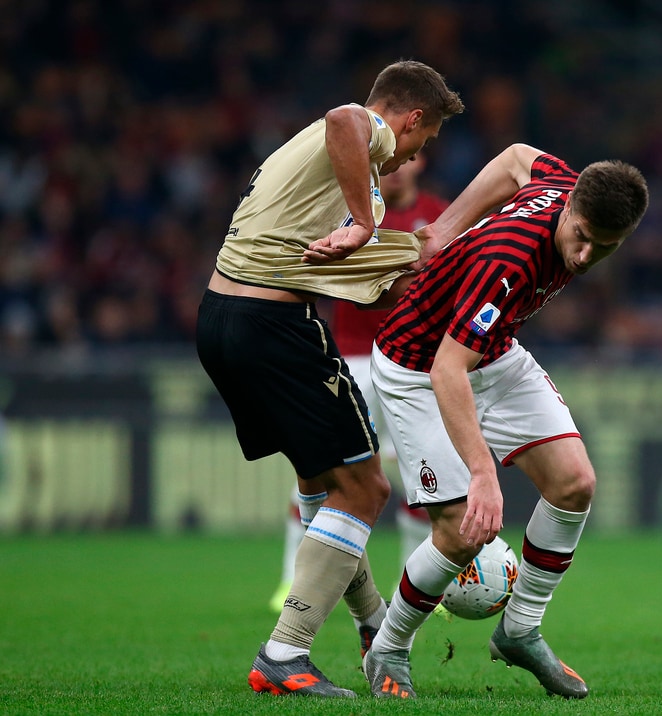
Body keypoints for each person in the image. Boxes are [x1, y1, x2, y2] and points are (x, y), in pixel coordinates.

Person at [196, 59, 464, 698]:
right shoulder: (361, 135)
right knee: (367, 488)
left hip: (222, 318)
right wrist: (369, 225)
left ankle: (373, 624)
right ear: (411, 118)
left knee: (323, 484)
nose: (411, 158)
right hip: (272, 325)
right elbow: (347, 117)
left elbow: (358, 282)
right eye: (421, 142)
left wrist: (410, 266)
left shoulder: (328, 171)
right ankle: (285, 653)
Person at [356, 143, 649, 700]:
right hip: (417, 366)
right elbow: (447, 370)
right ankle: (389, 648)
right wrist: (482, 471)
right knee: (460, 529)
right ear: (569, 208)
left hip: (490, 352)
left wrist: (444, 227)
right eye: (582, 236)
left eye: (605, 247)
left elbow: (516, 158)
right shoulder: (509, 262)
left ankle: (520, 630)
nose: (585, 256)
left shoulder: (566, 183)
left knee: (575, 484)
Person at [268, 153, 449, 613]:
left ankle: (420, 586)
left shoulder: (439, 216)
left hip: (412, 361)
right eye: (389, 161)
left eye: (407, 159)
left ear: (420, 161)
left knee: (423, 479)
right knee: (319, 472)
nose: (397, 168)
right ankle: (292, 580)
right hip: (349, 359)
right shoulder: (351, 211)